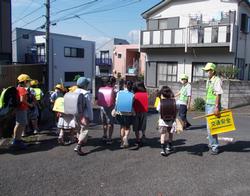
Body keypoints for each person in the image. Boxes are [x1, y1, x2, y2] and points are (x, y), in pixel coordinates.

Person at [202, 62, 223, 155]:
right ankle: (212, 144)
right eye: (206, 70)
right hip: (208, 105)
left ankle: (215, 147)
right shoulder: (209, 80)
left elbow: (218, 94)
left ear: (213, 71)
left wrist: (216, 107)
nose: (206, 72)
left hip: (213, 106)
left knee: (212, 127)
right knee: (208, 127)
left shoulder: (217, 80)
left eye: (208, 70)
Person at [11, 74, 34, 149]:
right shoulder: (23, 89)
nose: (28, 82)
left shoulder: (17, 88)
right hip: (22, 109)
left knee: (18, 124)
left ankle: (16, 139)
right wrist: (30, 105)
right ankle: (17, 141)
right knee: (21, 124)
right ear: (24, 81)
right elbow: (22, 100)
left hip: (18, 108)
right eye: (28, 81)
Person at [73, 77, 93, 155]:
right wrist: (91, 117)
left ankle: (81, 141)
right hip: (84, 115)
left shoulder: (74, 91)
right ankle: (79, 145)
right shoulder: (86, 93)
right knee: (84, 130)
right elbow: (89, 107)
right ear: (85, 85)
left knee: (78, 129)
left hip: (75, 113)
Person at [156, 86, 177, 156]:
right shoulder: (173, 101)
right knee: (170, 134)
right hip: (171, 121)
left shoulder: (160, 102)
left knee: (163, 135)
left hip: (162, 122)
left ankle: (163, 149)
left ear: (162, 94)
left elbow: (158, 110)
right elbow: (176, 109)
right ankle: (169, 146)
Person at [115, 80, 134, 148]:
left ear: (124, 85)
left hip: (120, 113)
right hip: (129, 113)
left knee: (122, 127)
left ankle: (122, 143)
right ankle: (126, 137)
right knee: (127, 127)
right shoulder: (132, 93)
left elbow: (116, 102)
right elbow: (133, 104)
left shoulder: (119, 93)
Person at [98, 76, 117, 144]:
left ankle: (104, 135)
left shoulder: (102, 89)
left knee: (104, 123)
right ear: (113, 83)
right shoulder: (114, 90)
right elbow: (115, 100)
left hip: (102, 108)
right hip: (111, 108)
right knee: (110, 124)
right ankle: (109, 138)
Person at [133, 81, 148, 147]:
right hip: (144, 111)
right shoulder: (146, 94)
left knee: (136, 126)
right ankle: (143, 135)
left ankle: (137, 139)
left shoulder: (134, 94)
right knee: (143, 125)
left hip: (136, 111)